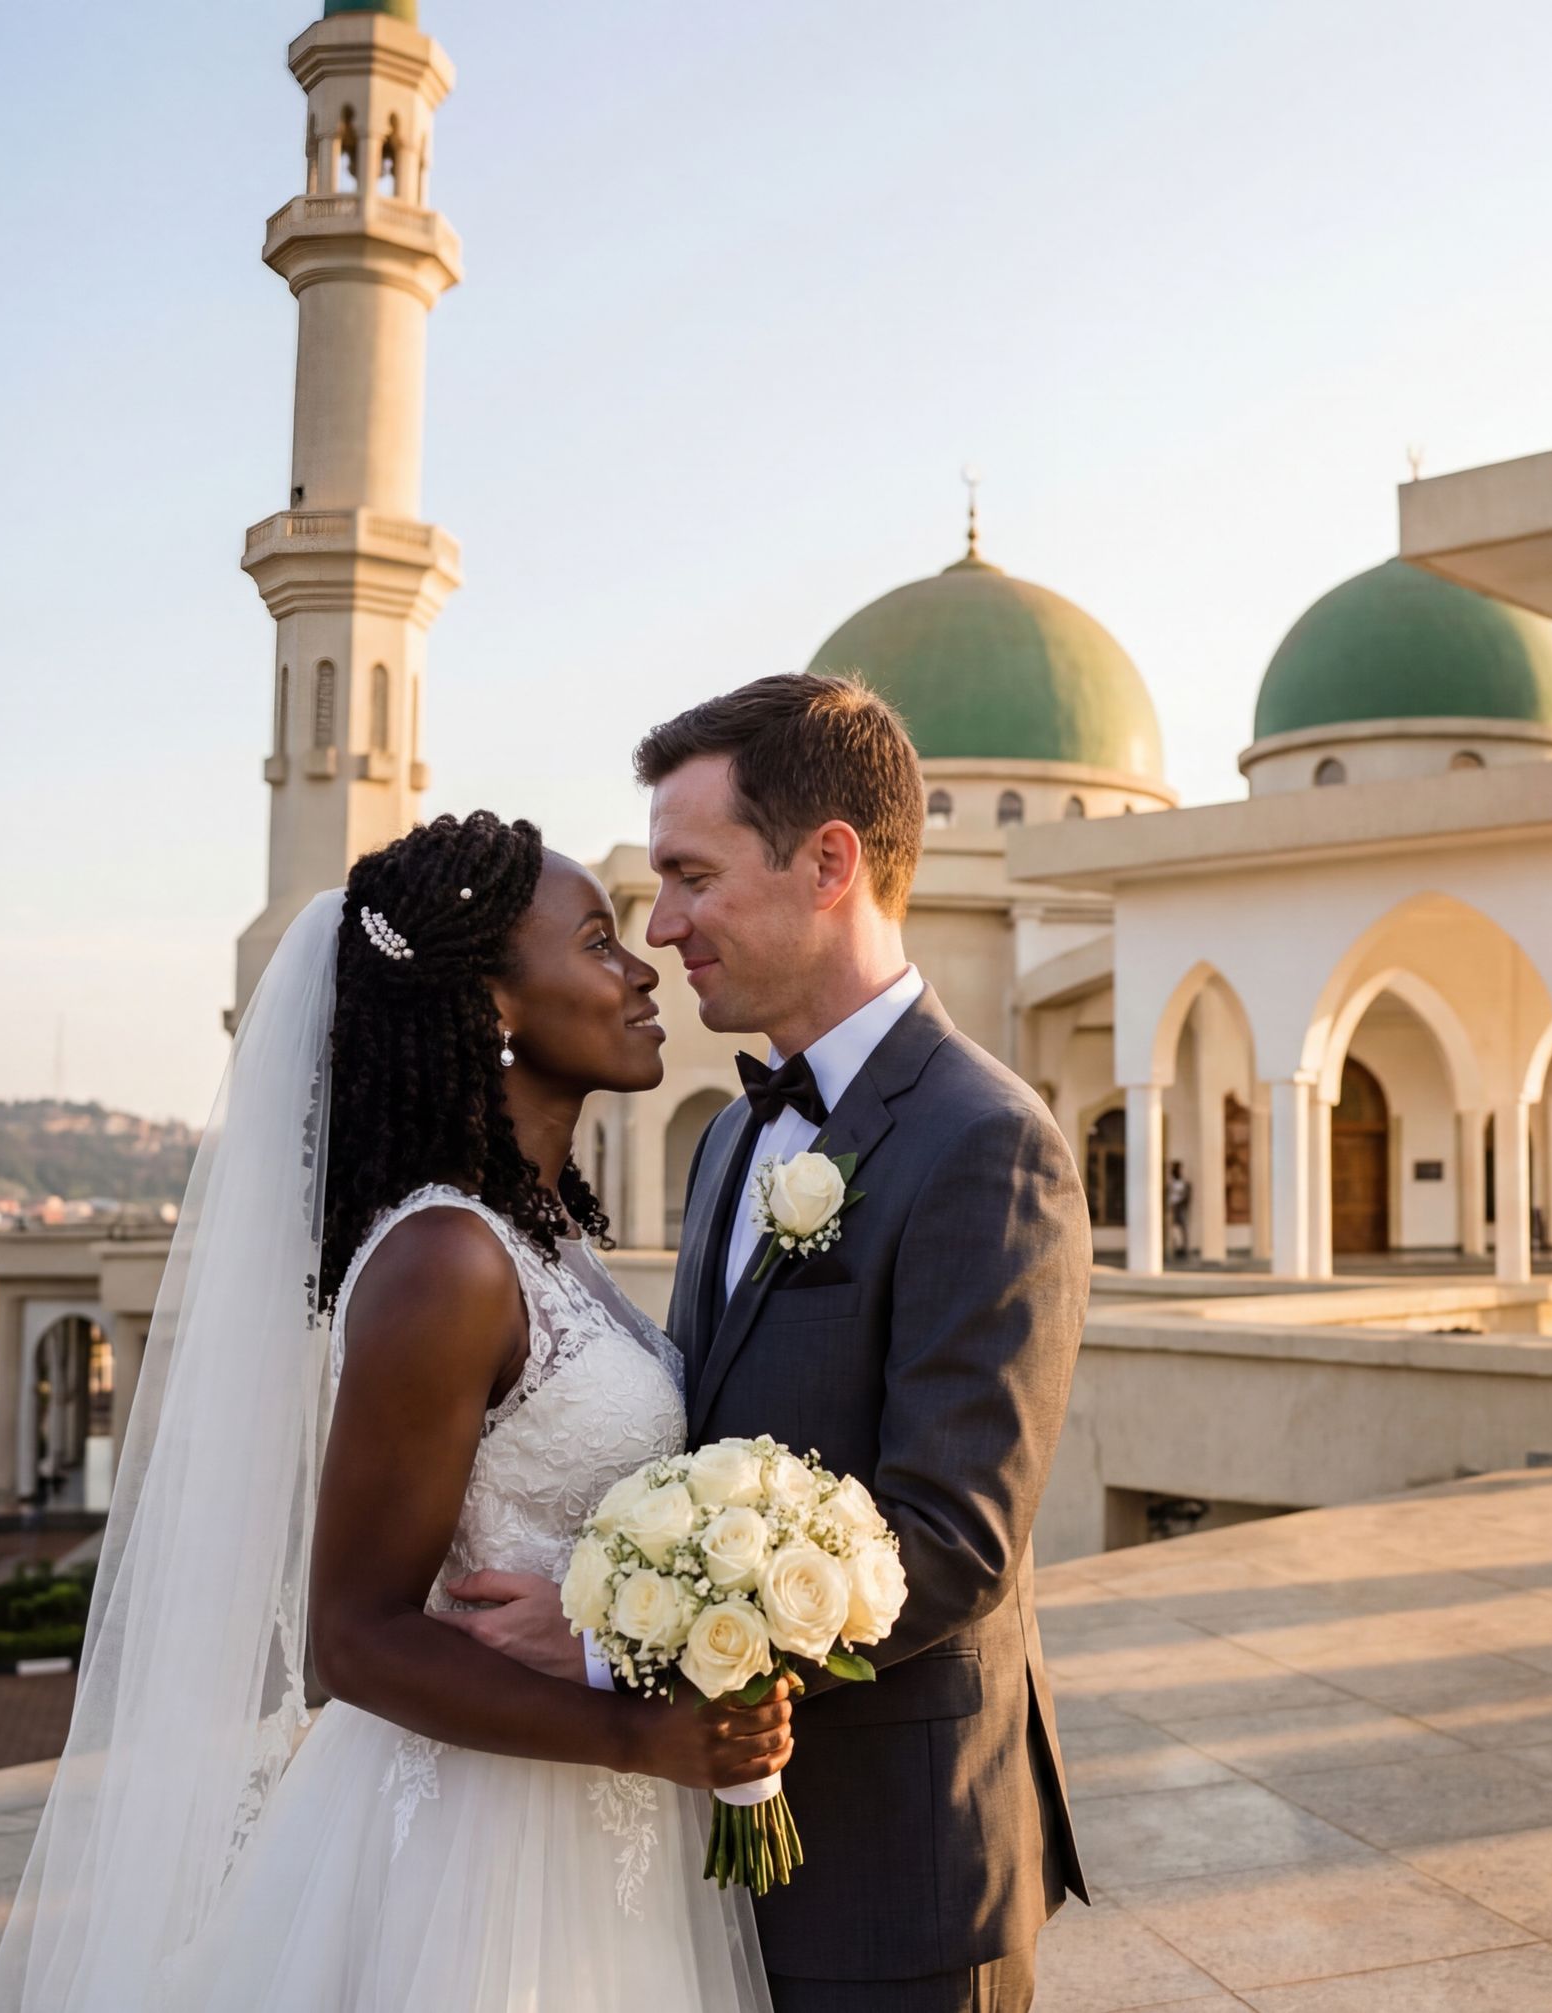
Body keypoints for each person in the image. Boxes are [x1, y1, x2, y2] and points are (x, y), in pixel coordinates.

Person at [0, 812, 791, 2012]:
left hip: (604, 1821)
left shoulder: (544, 1239)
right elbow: (354, 1636)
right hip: (485, 1854)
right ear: (494, 1005)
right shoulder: (446, 1260)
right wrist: (638, 1735)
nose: (641, 971)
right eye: (597, 943)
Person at [452, 675, 1088, 2011]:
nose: (663, 926)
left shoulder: (988, 1143)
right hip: (703, 1865)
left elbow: (955, 1537)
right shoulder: (738, 1133)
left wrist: (614, 1645)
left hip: (899, 1871)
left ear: (829, 863)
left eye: (693, 876)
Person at [1166, 1160, 1192, 1263]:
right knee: (1172, 1230)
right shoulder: (1170, 1183)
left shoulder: (1184, 1183)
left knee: (1183, 1229)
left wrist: (1181, 1203)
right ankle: (1174, 1249)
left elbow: (1187, 1196)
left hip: (1181, 1209)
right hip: (1172, 1208)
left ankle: (1184, 1250)